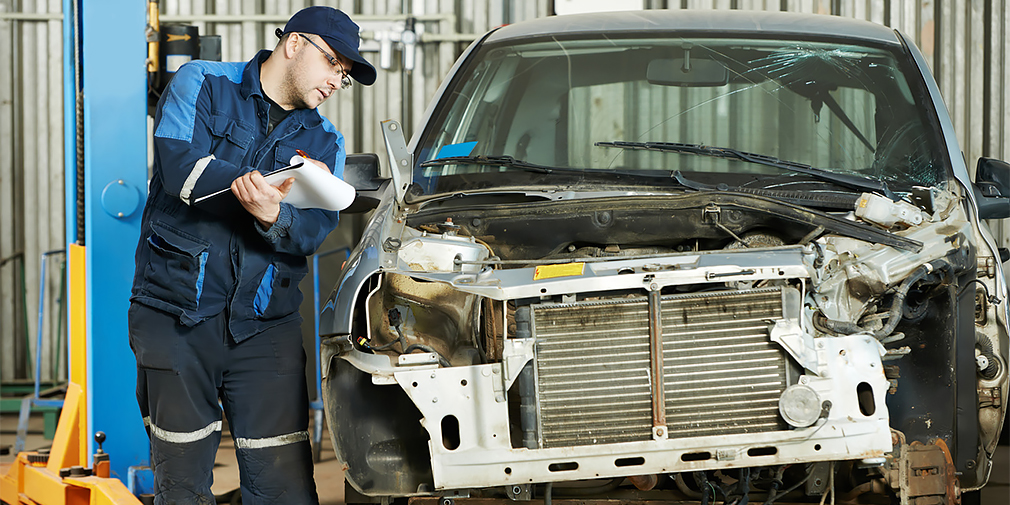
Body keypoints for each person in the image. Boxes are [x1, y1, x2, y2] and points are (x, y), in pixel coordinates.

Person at [128, 6, 375, 504]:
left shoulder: (325, 142)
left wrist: (274, 216)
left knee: (283, 486)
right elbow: (181, 170)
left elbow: (311, 231)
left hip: (265, 327)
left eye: (344, 75)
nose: (335, 80)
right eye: (332, 63)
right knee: (181, 485)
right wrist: (258, 189)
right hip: (177, 314)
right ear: (294, 44)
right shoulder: (201, 83)